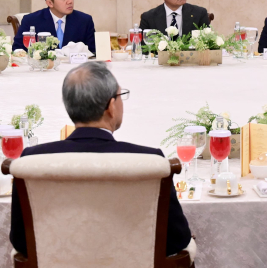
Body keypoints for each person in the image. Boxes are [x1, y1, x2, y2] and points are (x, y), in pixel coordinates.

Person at [9, 62, 193, 259]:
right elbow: (177, 239)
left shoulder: (32, 161)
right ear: (111, 107)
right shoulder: (149, 161)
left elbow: (22, 241)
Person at [12, 0, 96, 54]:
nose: (70, 1)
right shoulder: (31, 20)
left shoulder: (84, 20)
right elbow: (18, 50)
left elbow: (93, 52)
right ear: (50, 3)